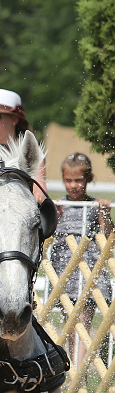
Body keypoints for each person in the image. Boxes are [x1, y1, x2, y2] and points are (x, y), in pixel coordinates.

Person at [49, 153, 113, 368]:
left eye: (78, 180)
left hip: (89, 271)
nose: (73, 185)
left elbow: (108, 237)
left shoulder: (95, 206)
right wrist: (54, 214)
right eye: (68, 180)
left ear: (89, 179)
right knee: (70, 322)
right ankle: (71, 373)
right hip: (65, 270)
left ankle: (80, 376)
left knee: (83, 323)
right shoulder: (60, 206)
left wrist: (105, 213)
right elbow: (49, 234)